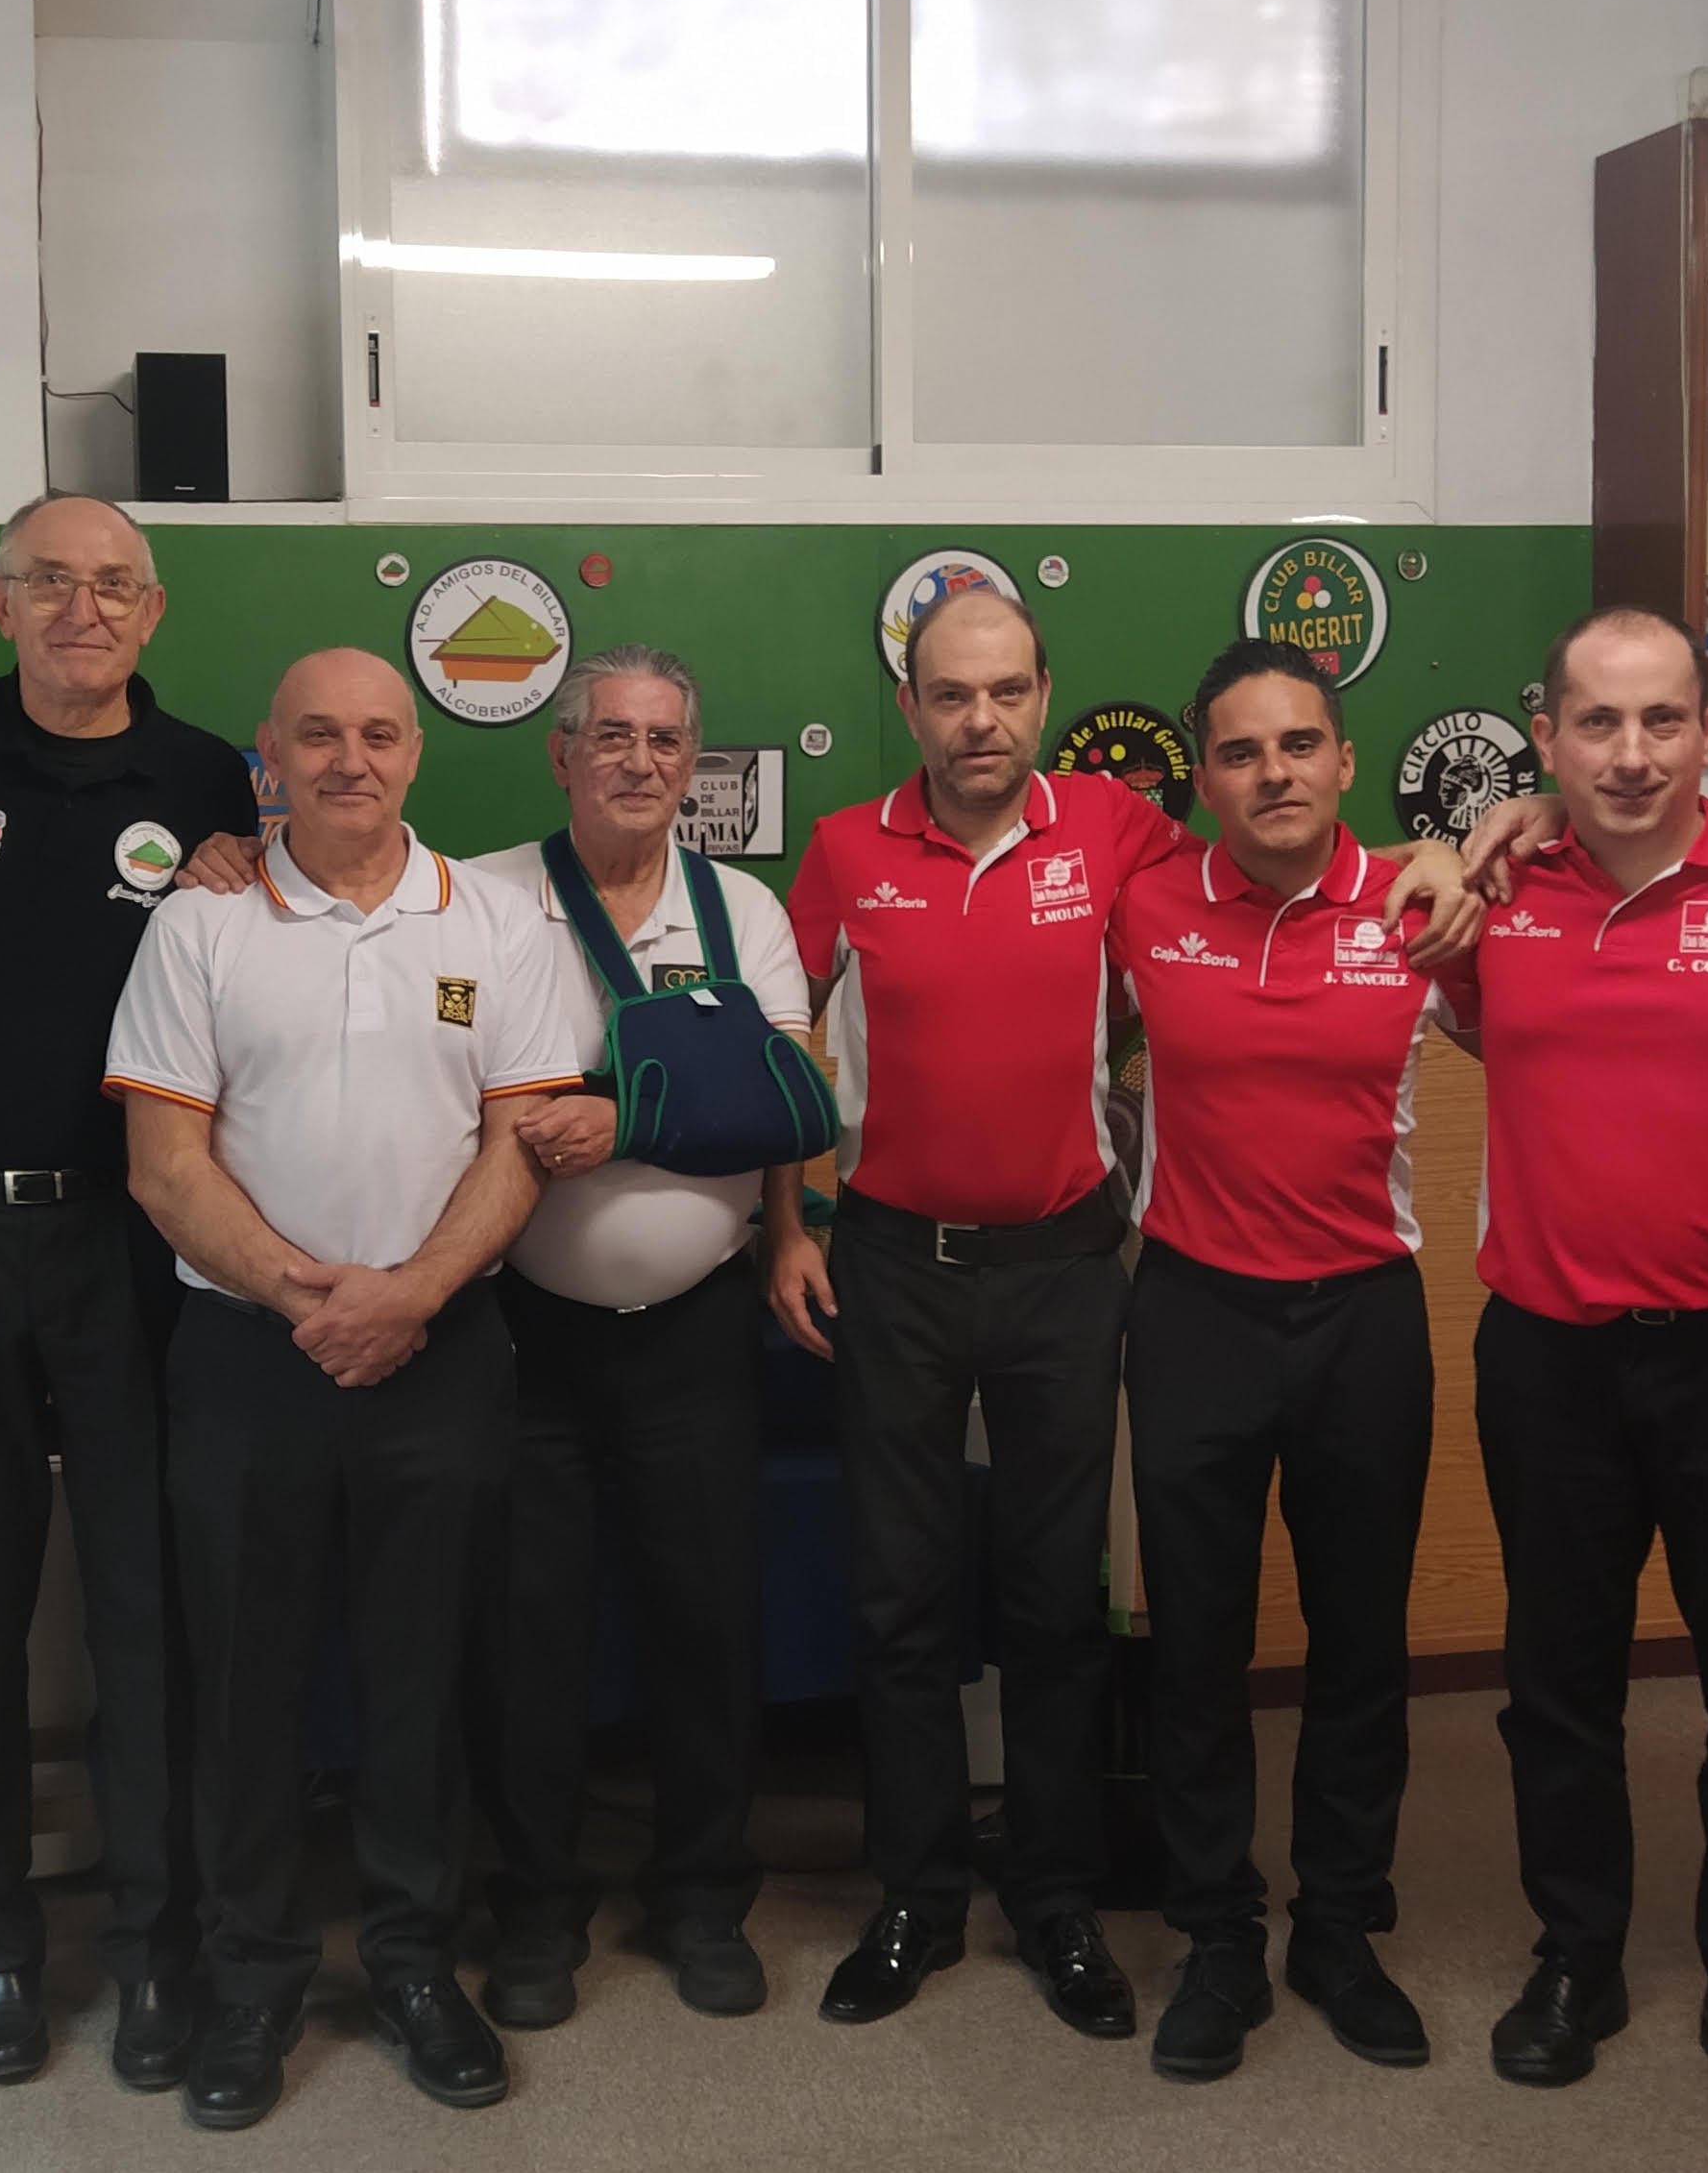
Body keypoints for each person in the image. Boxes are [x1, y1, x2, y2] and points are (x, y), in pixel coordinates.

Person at [772, 587, 1463, 2036]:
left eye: (1009, 693)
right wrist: (789, 1220)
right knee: (900, 1599)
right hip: (894, 1261)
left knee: (1053, 1605)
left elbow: (1328, 859)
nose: (982, 721)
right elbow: (781, 1033)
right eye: (952, 697)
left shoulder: (1117, 838)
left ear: (1043, 700)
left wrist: (1462, 842)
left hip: (1070, 1270)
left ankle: (1061, 1897)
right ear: (910, 707)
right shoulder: (844, 850)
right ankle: (917, 1896)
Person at [104, 647, 582, 2131]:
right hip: (251, 1357)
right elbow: (162, 1166)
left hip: (443, 1349)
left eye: (380, 733)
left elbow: (521, 1140)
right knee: (242, 1687)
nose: (350, 758)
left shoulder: (496, 923)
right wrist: (312, 1299)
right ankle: (250, 1983)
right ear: (271, 754)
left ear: (416, 757)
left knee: (422, 1678)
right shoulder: (202, 926)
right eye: (317, 733)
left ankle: (414, 1965)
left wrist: (413, 1295)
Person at [0, 497, 260, 2093]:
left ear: (153, 614)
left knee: (150, 1604)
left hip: (139, 1238)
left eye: (114, 586)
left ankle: (159, 1953)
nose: (84, 608)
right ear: (1, 602)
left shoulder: (210, 779)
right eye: (52, 583)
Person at [1436, 607, 1708, 2136]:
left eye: (1661, 720)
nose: (1629, 754)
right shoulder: (1493, 895)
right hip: (1549, 1356)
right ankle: (1579, 1957)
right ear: (1546, 736)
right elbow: (1471, 1030)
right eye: (1595, 724)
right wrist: (1494, 828)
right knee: (1558, 1690)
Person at [1108, 637, 1451, 2085]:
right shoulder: (1140, 908)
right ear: (1207, 777)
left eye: (1298, 745)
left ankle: (1341, 1929)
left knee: (1364, 1641)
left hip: (1366, 1314)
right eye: (1241, 753)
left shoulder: (1429, 908)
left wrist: (1477, 834)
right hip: (1192, 1311)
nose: (1273, 774)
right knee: (1197, 1648)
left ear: (1344, 761)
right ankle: (1220, 1937)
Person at [462, 646, 817, 2031]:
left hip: (697, 1329)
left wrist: (643, 1131)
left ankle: (702, 1896)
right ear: (561, 754)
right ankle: (537, 1908)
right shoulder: (483, 897)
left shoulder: (743, 908)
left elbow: (790, 1103)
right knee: (528, 1628)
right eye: (608, 735)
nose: (636, 760)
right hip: (523, 1331)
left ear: (692, 763)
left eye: (664, 740)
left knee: (706, 1618)